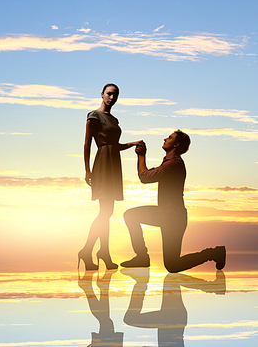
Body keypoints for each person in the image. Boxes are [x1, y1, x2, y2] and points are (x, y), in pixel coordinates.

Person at [121, 130, 226, 272]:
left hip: (173, 218)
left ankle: (214, 253)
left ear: (176, 144)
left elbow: (145, 177)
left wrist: (141, 155)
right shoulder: (168, 163)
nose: (165, 139)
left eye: (169, 137)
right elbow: (148, 175)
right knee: (130, 215)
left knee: (172, 265)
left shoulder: (173, 164)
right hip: (165, 214)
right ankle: (141, 257)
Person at [79, 83, 142, 271]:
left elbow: (114, 145)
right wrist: (87, 170)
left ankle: (102, 252)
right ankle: (90, 251)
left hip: (114, 163)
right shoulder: (94, 116)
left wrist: (130, 144)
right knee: (104, 212)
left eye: (115, 95)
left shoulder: (114, 119)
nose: (112, 98)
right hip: (103, 164)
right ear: (102, 94)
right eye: (109, 94)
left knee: (108, 212)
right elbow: (87, 144)